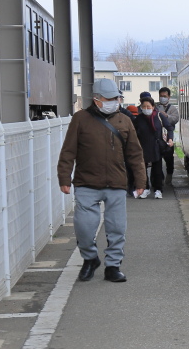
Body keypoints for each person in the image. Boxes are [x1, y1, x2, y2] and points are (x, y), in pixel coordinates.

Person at [57, 78, 146, 283]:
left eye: (116, 98)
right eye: (110, 98)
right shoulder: (80, 119)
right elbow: (68, 151)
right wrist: (64, 177)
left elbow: (135, 153)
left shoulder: (125, 121)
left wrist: (140, 181)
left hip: (116, 183)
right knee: (84, 227)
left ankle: (113, 266)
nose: (114, 101)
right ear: (96, 99)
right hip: (86, 182)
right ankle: (90, 259)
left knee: (116, 227)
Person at [133, 92, 174, 198]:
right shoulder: (139, 119)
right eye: (144, 107)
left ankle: (158, 190)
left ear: (153, 107)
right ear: (141, 107)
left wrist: (170, 138)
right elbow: (133, 132)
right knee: (143, 169)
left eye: (148, 106)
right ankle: (145, 188)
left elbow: (169, 127)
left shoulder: (159, 116)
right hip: (142, 146)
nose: (146, 108)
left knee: (157, 169)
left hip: (156, 145)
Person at [157, 86, 179, 182]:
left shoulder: (172, 108)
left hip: (168, 137)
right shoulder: (155, 106)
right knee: (157, 159)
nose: (163, 98)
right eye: (161, 96)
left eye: (165, 96)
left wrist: (166, 116)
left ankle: (169, 174)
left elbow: (175, 119)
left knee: (169, 157)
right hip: (157, 136)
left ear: (169, 97)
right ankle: (159, 178)